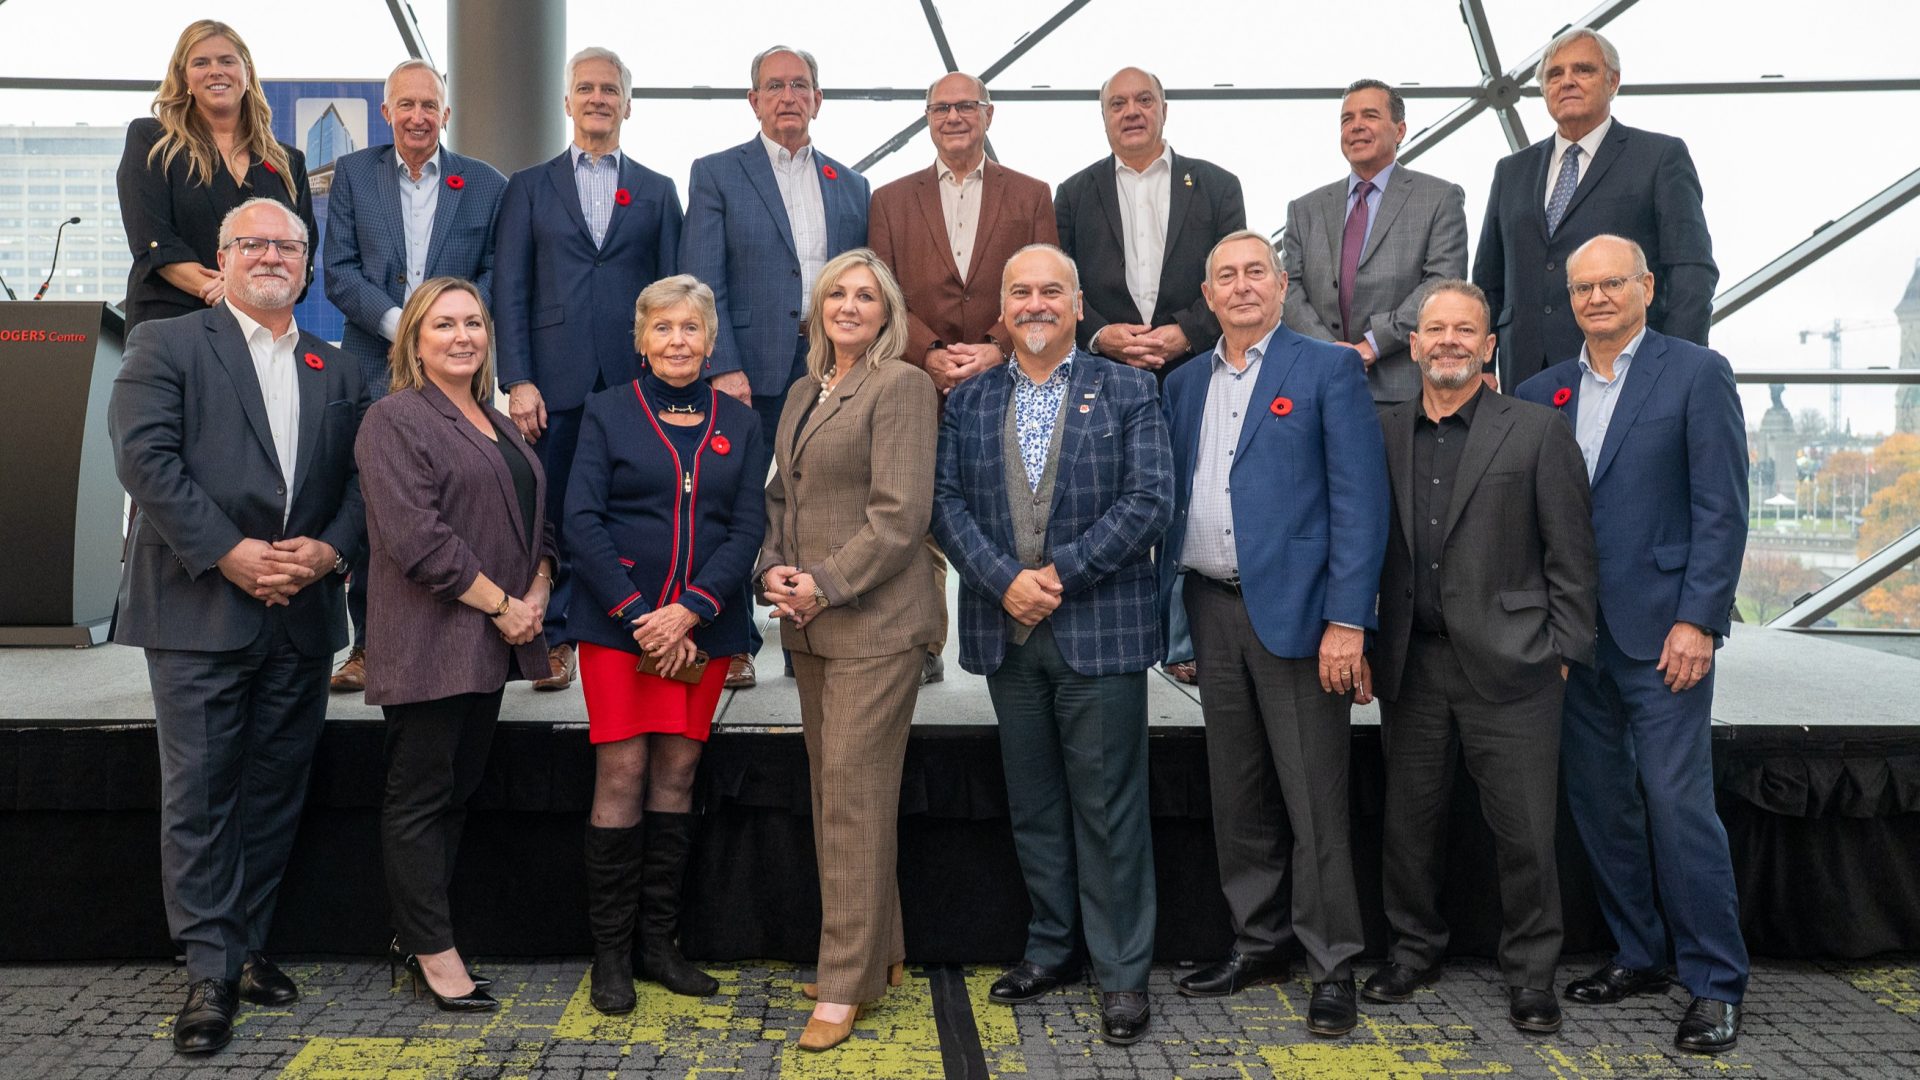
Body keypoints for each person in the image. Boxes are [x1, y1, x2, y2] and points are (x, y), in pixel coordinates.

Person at [108, 198, 365, 1054]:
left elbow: (366, 483)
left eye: (287, 244)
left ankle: (246, 944)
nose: (270, 254)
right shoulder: (168, 343)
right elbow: (146, 458)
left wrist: (328, 553)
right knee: (202, 793)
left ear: (307, 262)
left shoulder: (338, 366)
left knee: (271, 790)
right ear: (220, 259)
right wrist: (230, 552)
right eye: (252, 242)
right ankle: (209, 972)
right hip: (199, 603)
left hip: (302, 610)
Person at [930, 243, 1172, 1045]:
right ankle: (1050, 948)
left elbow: (1148, 501)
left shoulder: (1131, 389)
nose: (1036, 304)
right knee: (1034, 804)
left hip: (1096, 630)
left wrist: (1057, 575)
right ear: (1003, 310)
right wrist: (1004, 580)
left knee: (1109, 811)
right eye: (1021, 293)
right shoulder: (966, 401)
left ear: (1077, 306)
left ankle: (1121, 974)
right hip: (1007, 630)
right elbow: (945, 503)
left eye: (1051, 292)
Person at [1516, 234, 1750, 1054]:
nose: (1597, 298)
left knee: (1678, 805)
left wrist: (1700, 619)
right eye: (1583, 288)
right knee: (1601, 806)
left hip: (1663, 635)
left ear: (1647, 287)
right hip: (1572, 641)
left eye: (1613, 282)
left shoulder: (1695, 373)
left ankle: (1717, 982)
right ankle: (1640, 953)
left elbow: (1721, 508)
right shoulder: (1542, 390)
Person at [1160, 230, 1388, 1037]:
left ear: (1283, 283)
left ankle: (1332, 961)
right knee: (1239, 793)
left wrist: (1347, 622)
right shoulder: (1183, 384)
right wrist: (1173, 623)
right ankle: (1258, 942)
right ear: (1208, 293)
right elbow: (1173, 502)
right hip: (1211, 610)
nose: (1242, 285)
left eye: (1256, 271)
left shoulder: (1326, 368)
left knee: (1314, 798)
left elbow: (1361, 504)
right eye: (1226, 275)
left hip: (1302, 619)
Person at [1360, 280, 1597, 1034]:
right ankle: (1412, 950)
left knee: (1525, 831)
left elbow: (1573, 554)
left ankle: (1531, 975)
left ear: (1489, 345)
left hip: (1516, 667)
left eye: (1467, 330)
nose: (1451, 342)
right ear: (1417, 345)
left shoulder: (1533, 431)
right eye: (1437, 330)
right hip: (1414, 663)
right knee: (1410, 824)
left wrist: (1563, 648)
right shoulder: (1383, 429)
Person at [564, 275, 768, 1012]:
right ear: (640, 340)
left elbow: (747, 528)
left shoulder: (740, 423)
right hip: (619, 628)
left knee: (678, 776)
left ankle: (659, 946)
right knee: (620, 773)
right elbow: (580, 519)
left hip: (702, 631)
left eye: (691, 329)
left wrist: (690, 612)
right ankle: (611, 957)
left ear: (711, 342)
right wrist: (639, 613)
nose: (677, 341)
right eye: (663, 328)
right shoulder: (606, 411)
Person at [754, 249, 940, 1052]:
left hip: (876, 626)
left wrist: (822, 582)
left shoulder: (901, 387)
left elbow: (900, 518)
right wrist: (771, 570)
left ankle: (843, 984)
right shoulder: (803, 389)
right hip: (811, 624)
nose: (851, 307)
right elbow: (778, 498)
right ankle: (883, 953)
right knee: (841, 797)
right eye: (839, 294)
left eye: (866, 296)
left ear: (887, 311)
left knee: (852, 800)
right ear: (819, 308)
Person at [355, 277, 553, 1012]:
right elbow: (417, 541)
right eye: (444, 324)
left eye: (473, 322)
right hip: (430, 641)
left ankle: (419, 932)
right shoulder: (394, 419)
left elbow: (537, 520)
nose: (462, 336)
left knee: (455, 795)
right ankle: (433, 954)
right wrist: (505, 605)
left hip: (490, 642)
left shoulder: (497, 421)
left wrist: (538, 588)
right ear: (414, 337)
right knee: (420, 798)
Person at [494, 46, 683, 692]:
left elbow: (673, 293)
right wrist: (517, 378)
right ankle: (556, 637)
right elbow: (510, 290)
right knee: (553, 507)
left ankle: (632, 630)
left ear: (628, 104)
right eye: (586, 87)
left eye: (610, 89)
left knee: (631, 507)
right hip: (552, 381)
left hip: (636, 381)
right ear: (567, 101)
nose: (598, 97)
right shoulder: (528, 187)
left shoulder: (658, 192)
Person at [682, 44, 871, 689]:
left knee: (822, 498)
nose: (788, 96)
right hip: (745, 369)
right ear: (753, 99)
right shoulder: (716, 173)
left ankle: (805, 634)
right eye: (774, 86)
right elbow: (702, 279)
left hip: (826, 365)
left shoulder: (850, 185)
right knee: (729, 497)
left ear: (818, 97)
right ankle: (730, 637)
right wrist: (721, 365)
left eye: (800, 85)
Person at [867, 70, 1060, 686]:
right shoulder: (890, 198)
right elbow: (883, 289)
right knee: (915, 504)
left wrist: (995, 349)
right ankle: (924, 641)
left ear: (989, 114)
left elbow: (1046, 283)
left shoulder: (1030, 194)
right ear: (927, 118)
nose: (954, 116)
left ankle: (1017, 627)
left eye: (966, 106)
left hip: (1004, 374)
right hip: (913, 375)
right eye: (941, 107)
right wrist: (926, 353)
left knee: (1001, 498)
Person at [324, 59, 510, 694]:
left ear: (446, 115)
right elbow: (340, 271)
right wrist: (406, 326)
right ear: (386, 114)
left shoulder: (485, 183)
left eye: (429, 105)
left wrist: (445, 330)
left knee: (455, 508)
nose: (417, 116)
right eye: (405, 105)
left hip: (459, 369)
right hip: (375, 364)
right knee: (375, 506)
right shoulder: (353, 174)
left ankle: (461, 641)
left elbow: (493, 276)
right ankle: (367, 647)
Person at [1473, 28, 1716, 389]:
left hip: (1629, 368)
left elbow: (1691, 272)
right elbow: (1488, 281)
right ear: (1543, 90)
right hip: (1525, 373)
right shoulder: (1512, 171)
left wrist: (1678, 369)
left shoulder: (1659, 157)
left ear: (1613, 81)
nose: (1566, 82)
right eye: (1555, 74)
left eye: (1583, 70)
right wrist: (1482, 366)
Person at [117, 19, 319, 332]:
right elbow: (152, 241)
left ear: (247, 73)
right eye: (201, 63)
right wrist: (231, 292)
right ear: (184, 76)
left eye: (227, 61)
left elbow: (302, 254)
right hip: (171, 327)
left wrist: (240, 294)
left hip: (259, 331)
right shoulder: (152, 141)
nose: (216, 71)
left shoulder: (287, 162)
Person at [1282, 79, 1468, 407]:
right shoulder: (1304, 209)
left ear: (1399, 130)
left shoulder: (1438, 198)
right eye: (1346, 119)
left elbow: (1440, 285)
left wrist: (1372, 344)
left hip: (1402, 392)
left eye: (1369, 116)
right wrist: (1328, 352)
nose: (1356, 127)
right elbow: (1288, 288)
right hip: (1315, 386)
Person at [1054, 66, 1244, 381]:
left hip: (1199, 370)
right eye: (1117, 104)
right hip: (1102, 376)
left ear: (1164, 110)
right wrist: (1100, 334)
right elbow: (1059, 284)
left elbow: (1232, 278)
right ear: (1104, 119)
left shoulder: (1218, 187)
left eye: (1144, 100)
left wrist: (1187, 332)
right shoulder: (1073, 194)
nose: (1131, 112)